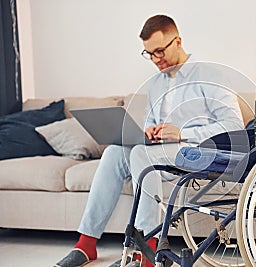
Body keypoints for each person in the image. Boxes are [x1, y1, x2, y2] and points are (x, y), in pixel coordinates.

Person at [55, 14, 244, 267]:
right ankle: (86, 244)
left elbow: (235, 127)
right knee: (113, 152)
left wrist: (183, 133)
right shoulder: (156, 84)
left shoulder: (211, 76)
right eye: (149, 54)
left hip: (197, 151)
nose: (156, 60)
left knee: (140, 156)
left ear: (178, 41)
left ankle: (147, 251)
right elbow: (151, 123)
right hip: (160, 152)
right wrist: (149, 133)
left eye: (159, 51)